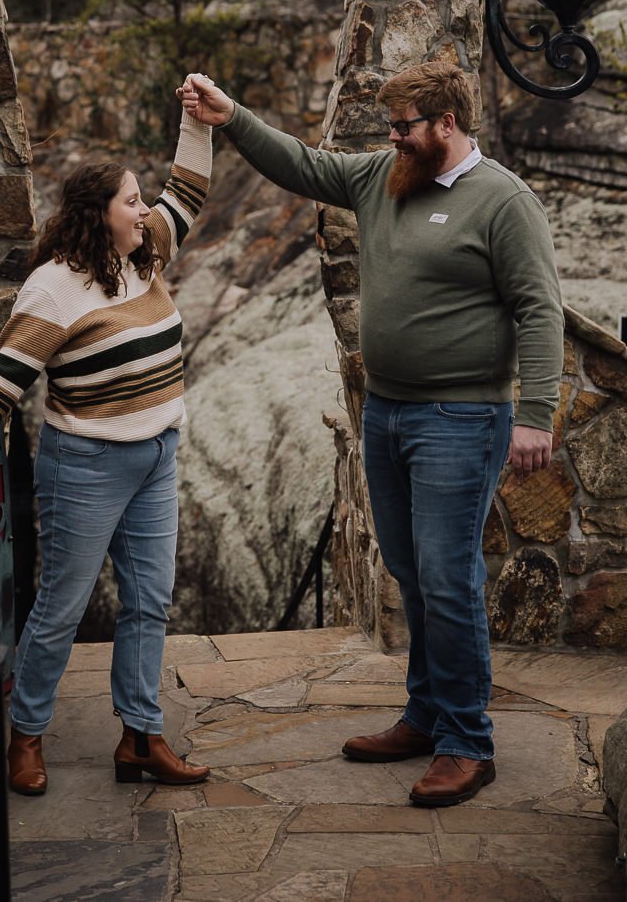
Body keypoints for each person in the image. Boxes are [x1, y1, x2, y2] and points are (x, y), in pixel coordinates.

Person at [178, 61, 562, 809]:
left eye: (405, 126)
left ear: (446, 124)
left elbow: (540, 310)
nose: (393, 138)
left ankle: (465, 742)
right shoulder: (385, 179)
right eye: (391, 127)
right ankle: (424, 716)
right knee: (414, 577)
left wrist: (536, 414)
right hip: (385, 413)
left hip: (461, 418)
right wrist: (230, 116)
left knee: (450, 581)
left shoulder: (503, 202)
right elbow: (302, 163)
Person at [0, 96, 213, 796]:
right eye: (134, 200)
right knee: (61, 610)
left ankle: (139, 737)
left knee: (149, 602)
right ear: (99, 213)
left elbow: (189, 190)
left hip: (158, 455)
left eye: (143, 201)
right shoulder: (52, 290)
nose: (146, 209)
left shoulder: (147, 250)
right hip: (86, 468)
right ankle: (27, 736)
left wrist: (197, 118)